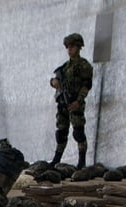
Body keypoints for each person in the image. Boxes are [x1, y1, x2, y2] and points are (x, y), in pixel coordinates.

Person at [49, 33, 93, 169]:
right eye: (67, 47)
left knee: (78, 132)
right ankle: (56, 159)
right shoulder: (64, 67)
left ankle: (82, 161)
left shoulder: (84, 65)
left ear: (79, 47)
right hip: (62, 103)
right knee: (61, 132)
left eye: (72, 46)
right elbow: (54, 80)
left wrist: (78, 102)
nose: (69, 49)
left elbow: (86, 86)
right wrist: (53, 82)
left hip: (75, 103)